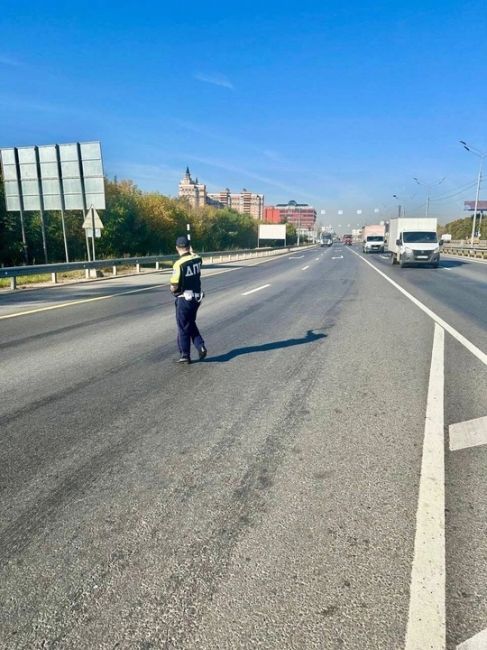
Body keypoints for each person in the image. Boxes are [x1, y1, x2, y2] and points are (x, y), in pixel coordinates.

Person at [170, 236, 207, 364]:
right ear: (189, 247)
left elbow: (174, 284)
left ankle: (185, 354)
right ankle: (200, 345)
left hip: (184, 299)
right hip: (197, 298)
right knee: (190, 322)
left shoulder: (179, 264)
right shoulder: (197, 259)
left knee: (183, 327)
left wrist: (172, 290)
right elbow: (195, 254)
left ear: (176, 248)